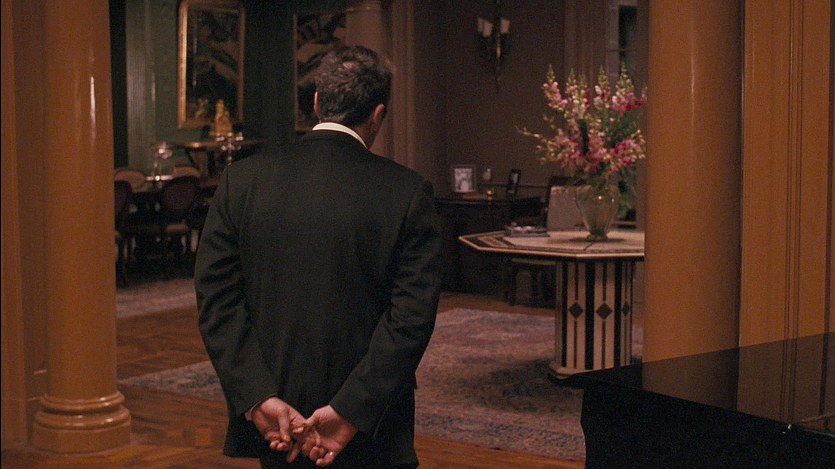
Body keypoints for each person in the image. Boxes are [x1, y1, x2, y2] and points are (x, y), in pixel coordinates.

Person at [194, 45, 443, 469]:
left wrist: (258, 397)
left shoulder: (242, 181)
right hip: (372, 423)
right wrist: (351, 410)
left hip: (276, 422)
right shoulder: (407, 192)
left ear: (315, 103)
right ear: (378, 115)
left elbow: (217, 300)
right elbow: (410, 319)